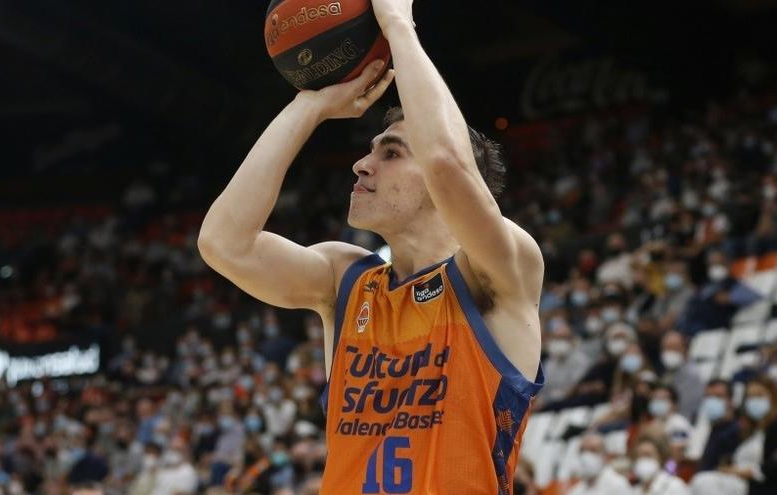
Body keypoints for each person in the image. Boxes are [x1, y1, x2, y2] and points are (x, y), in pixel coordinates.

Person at [197, 1, 544, 492]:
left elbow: (447, 161)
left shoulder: (502, 271)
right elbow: (222, 243)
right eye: (370, 148)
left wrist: (398, 26)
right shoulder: (345, 279)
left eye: (392, 152)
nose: (362, 164)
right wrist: (309, 106)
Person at [690, 376, 777, 495]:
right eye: (750, 397)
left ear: (773, 397)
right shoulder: (749, 430)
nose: (754, 401)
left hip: (761, 487)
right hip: (738, 482)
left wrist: (745, 472)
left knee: (703, 482)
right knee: (701, 481)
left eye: (759, 395)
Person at [629, 430, 690, 495]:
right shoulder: (634, 490)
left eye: (648, 455)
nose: (643, 460)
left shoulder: (675, 486)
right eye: (639, 456)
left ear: (661, 457)